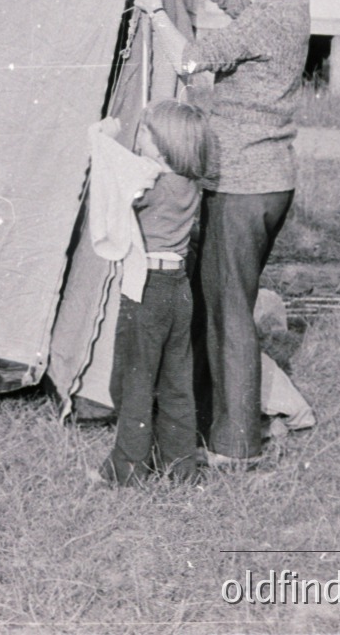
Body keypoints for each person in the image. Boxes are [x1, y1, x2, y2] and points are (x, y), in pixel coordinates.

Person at [132, 0, 324, 467]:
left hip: (243, 186)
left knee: (227, 312)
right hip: (265, 181)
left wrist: (155, 11)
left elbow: (189, 61)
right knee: (225, 305)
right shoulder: (286, 3)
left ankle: (237, 446)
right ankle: (220, 423)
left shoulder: (267, 18)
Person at [100, 100, 212, 487]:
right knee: (176, 384)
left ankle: (127, 469)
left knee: (135, 382)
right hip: (178, 288)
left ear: (162, 144)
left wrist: (101, 141)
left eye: (145, 131)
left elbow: (113, 192)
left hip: (146, 289)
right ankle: (181, 470)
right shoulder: (189, 183)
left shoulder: (150, 186)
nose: (139, 135)